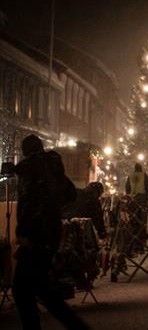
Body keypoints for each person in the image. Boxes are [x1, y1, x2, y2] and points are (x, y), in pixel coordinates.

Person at [12, 134, 90, 330]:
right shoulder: (53, 168)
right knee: (39, 288)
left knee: (23, 289)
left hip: (36, 236)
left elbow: (28, 206)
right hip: (50, 232)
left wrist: (25, 232)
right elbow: (70, 194)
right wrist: (53, 210)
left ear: (25, 152)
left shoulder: (31, 170)